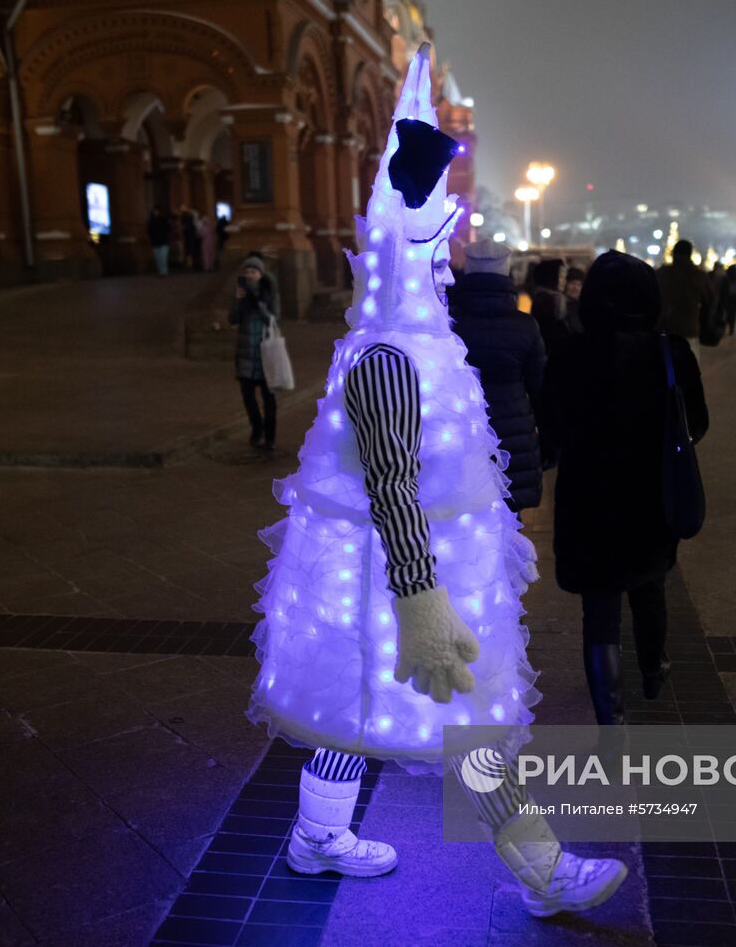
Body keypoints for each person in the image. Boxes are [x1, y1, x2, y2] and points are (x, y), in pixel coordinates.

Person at [245, 46, 628, 918]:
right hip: (399, 578)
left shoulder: (423, 342)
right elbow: (390, 483)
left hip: (408, 572)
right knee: (471, 718)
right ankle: (543, 871)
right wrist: (421, 598)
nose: (446, 247)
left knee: (354, 710)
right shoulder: (387, 356)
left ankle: (316, 836)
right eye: (431, 232)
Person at [542, 250, 707, 725]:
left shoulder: (571, 353)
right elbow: (697, 422)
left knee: (599, 609)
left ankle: (609, 719)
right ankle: (653, 668)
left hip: (588, 499)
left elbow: (551, 426)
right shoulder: (670, 352)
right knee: (651, 583)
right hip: (651, 494)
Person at [449, 240, 546, 511]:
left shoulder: (449, 325)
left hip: (460, 434)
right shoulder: (525, 326)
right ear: (506, 274)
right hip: (513, 438)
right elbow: (541, 391)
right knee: (510, 526)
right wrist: (548, 447)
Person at [229, 255, 279, 449]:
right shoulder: (241, 294)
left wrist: (257, 302)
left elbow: (274, 319)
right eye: (247, 271)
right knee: (248, 397)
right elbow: (232, 319)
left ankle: (270, 436)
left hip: (266, 354)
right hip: (245, 354)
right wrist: (238, 300)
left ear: (261, 274)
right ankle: (256, 428)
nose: (249, 275)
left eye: (253, 271)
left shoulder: (270, 294)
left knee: (269, 399)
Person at [655, 239, 714, 359]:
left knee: (663, 369)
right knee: (689, 371)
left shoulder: (661, 274)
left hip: (664, 328)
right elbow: (710, 300)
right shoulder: (698, 276)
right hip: (689, 329)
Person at [530, 258, 580, 356]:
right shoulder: (549, 300)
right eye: (561, 277)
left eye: (564, 278)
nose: (564, 281)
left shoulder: (550, 297)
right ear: (551, 277)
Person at [720, 264, 736, 337]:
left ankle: (724, 329)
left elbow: (722, 290)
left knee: (725, 314)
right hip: (734, 299)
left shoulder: (725, 279)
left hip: (726, 299)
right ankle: (731, 328)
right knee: (733, 315)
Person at [147, 207, 171, 277]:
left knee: (163, 258)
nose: (156, 213)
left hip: (164, 241)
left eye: (157, 211)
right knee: (158, 258)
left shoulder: (164, 220)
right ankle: (161, 272)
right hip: (155, 242)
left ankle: (164, 272)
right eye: (155, 211)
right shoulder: (151, 221)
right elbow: (149, 231)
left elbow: (168, 229)